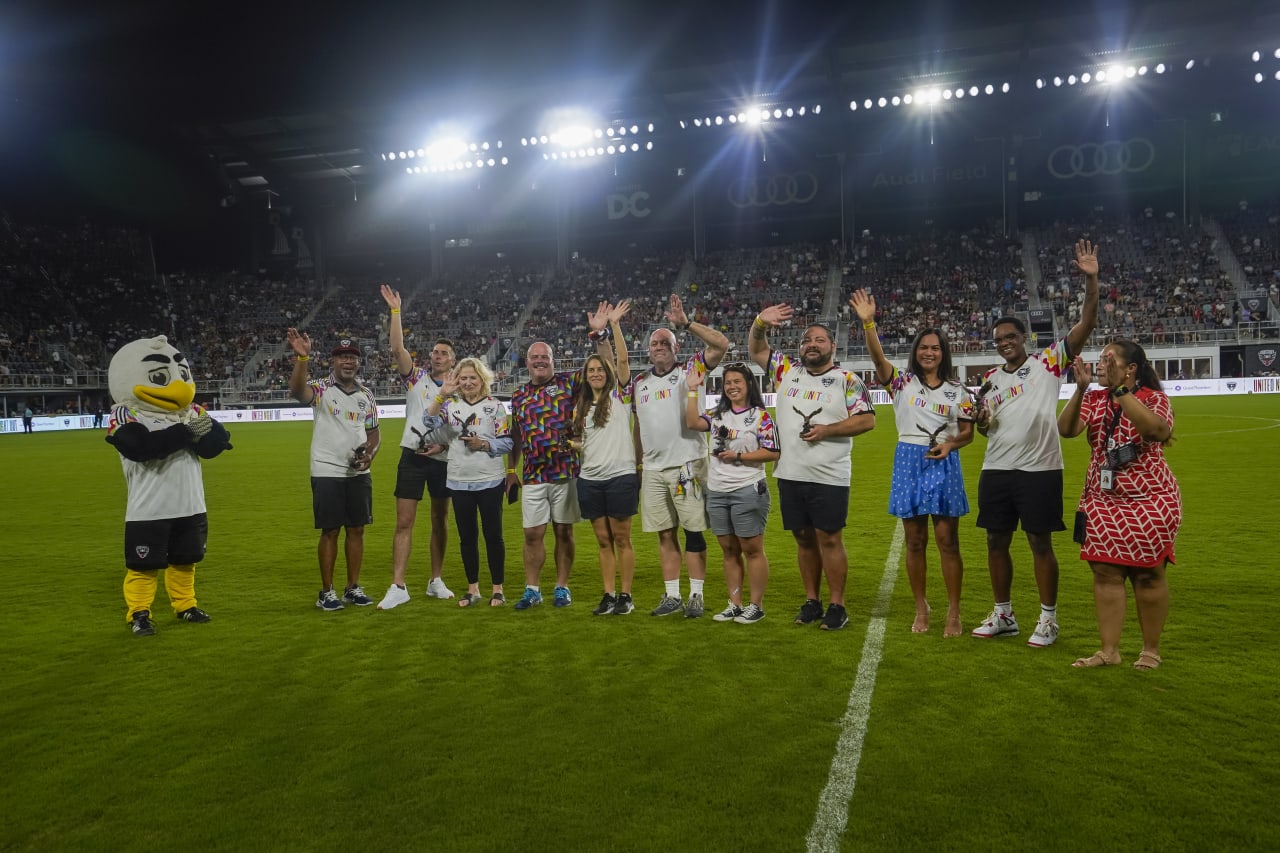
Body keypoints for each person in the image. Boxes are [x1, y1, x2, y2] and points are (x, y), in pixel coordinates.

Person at [971, 239, 1100, 646]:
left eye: (1010, 335)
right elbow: (985, 427)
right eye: (998, 338)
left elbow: (1086, 325)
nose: (1004, 341)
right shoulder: (990, 379)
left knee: (1039, 542)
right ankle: (1004, 613)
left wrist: (1091, 281)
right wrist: (982, 421)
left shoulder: (1047, 362)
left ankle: (1048, 619)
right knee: (995, 540)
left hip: (1040, 468)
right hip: (996, 468)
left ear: (1024, 337)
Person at [850, 289, 974, 637]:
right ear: (915, 353)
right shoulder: (902, 384)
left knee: (948, 540)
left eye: (935, 348)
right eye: (923, 347)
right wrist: (868, 323)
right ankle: (921, 606)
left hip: (944, 461)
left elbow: (968, 433)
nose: (929, 352)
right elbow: (877, 360)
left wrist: (951, 445)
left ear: (943, 353)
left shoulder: (958, 390)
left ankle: (953, 610)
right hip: (909, 459)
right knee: (915, 540)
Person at [749, 307, 875, 631]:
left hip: (829, 475)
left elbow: (867, 419)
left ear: (833, 347)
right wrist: (760, 322)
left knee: (830, 539)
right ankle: (812, 601)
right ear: (800, 347)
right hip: (790, 473)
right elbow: (756, 348)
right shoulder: (786, 371)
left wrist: (826, 430)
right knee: (803, 539)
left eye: (820, 339)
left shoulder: (847, 380)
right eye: (807, 340)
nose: (812, 344)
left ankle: (837, 605)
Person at [1058, 342, 1180, 670]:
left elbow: (1156, 430)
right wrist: (1080, 389)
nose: (1100, 366)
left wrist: (1122, 392)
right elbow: (1066, 430)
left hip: (1150, 500)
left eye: (1109, 361)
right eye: (1099, 361)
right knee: (1105, 573)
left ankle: (1150, 650)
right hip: (1102, 500)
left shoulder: (1153, 399)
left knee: (1148, 575)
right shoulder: (1095, 398)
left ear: (1130, 370)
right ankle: (1109, 650)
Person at [105, 336, 233, 635]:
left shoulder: (189, 412)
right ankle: (139, 613)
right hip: (148, 509)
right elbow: (142, 447)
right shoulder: (127, 413)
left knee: (186, 561)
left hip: (190, 504)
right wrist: (189, 431)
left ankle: (185, 605)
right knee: (143, 566)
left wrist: (192, 430)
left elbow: (217, 443)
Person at [506, 309, 613, 610]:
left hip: (566, 471)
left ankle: (561, 587)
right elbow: (516, 435)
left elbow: (603, 368)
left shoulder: (569, 384)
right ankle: (532, 589)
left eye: (545, 357)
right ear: (526, 362)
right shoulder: (518, 396)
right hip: (533, 475)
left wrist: (599, 334)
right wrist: (511, 469)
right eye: (534, 357)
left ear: (553, 361)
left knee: (564, 531)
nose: (539, 361)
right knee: (532, 534)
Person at [631, 294, 731, 618]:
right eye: (654, 343)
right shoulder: (639, 382)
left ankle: (696, 595)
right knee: (664, 532)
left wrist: (686, 323)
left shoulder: (692, 367)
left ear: (675, 348)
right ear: (648, 350)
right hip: (653, 469)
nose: (659, 346)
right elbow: (638, 426)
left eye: (665, 342)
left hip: (687, 464)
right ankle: (672, 595)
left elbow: (722, 344)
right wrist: (637, 464)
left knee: (693, 530)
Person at [376, 284, 458, 610]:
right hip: (411, 455)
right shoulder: (416, 378)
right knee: (403, 522)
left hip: (442, 460)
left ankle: (435, 580)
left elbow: (463, 428)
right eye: (435, 352)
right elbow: (397, 350)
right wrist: (396, 312)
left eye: (443, 353)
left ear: (453, 361)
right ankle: (398, 585)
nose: (436, 355)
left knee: (440, 521)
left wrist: (444, 448)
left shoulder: (460, 389)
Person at [286, 331, 380, 612]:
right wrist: (302, 357)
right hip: (326, 469)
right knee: (330, 531)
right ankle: (326, 591)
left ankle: (352, 587)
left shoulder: (366, 395)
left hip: (357, 473)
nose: (348, 361)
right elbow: (296, 392)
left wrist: (370, 456)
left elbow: (373, 433)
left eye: (352, 357)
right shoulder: (320, 388)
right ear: (334, 361)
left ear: (358, 362)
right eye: (342, 357)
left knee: (357, 529)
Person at [683, 362, 779, 624]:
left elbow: (772, 452)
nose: (732, 386)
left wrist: (739, 455)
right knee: (728, 550)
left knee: (752, 549)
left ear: (749, 384)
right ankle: (735, 604)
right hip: (717, 491)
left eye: (737, 381)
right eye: (728, 382)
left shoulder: (761, 416)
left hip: (747, 489)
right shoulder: (716, 414)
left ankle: (755, 605)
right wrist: (692, 390)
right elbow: (691, 422)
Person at [568, 302, 638, 616]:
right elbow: (583, 442)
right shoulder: (580, 407)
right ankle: (608, 594)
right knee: (602, 540)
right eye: (591, 370)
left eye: (599, 370)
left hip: (621, 475)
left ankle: (626, 595)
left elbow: (620, 358)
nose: (596, 373)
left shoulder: (620, 395)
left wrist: (610, 328)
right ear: (585, 376)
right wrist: (570, 445)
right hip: (590, 480)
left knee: (621, 537)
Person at [424, 358, 512, 607]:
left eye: (473, 377)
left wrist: (483, 444)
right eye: (463, 378)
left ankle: (498, 588)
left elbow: (506, 442)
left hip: (490, 479)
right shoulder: (450, 405)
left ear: (482, 379)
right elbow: (428, 421)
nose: (468, 382)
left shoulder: (495, 407)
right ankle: (472, 588)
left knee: (493, 535)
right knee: (467, 537)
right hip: (459, 479)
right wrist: (441, 394)